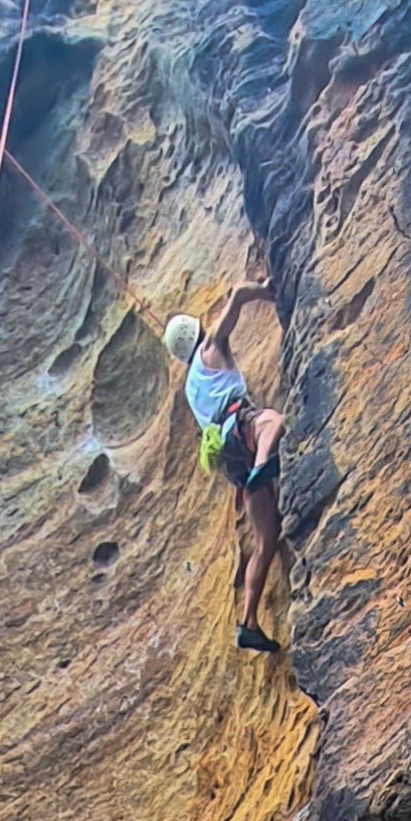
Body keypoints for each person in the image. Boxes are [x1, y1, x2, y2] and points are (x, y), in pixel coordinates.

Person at [165, 277, 285, 656]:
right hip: (241, 430)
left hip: (231, 461)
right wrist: (271, 288)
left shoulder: (189, 387)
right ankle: (264, 464)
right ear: (197, 329)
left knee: (266, 540)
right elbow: (238, 294)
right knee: (272, 422)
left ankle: (249, 623)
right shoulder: (212, 345)